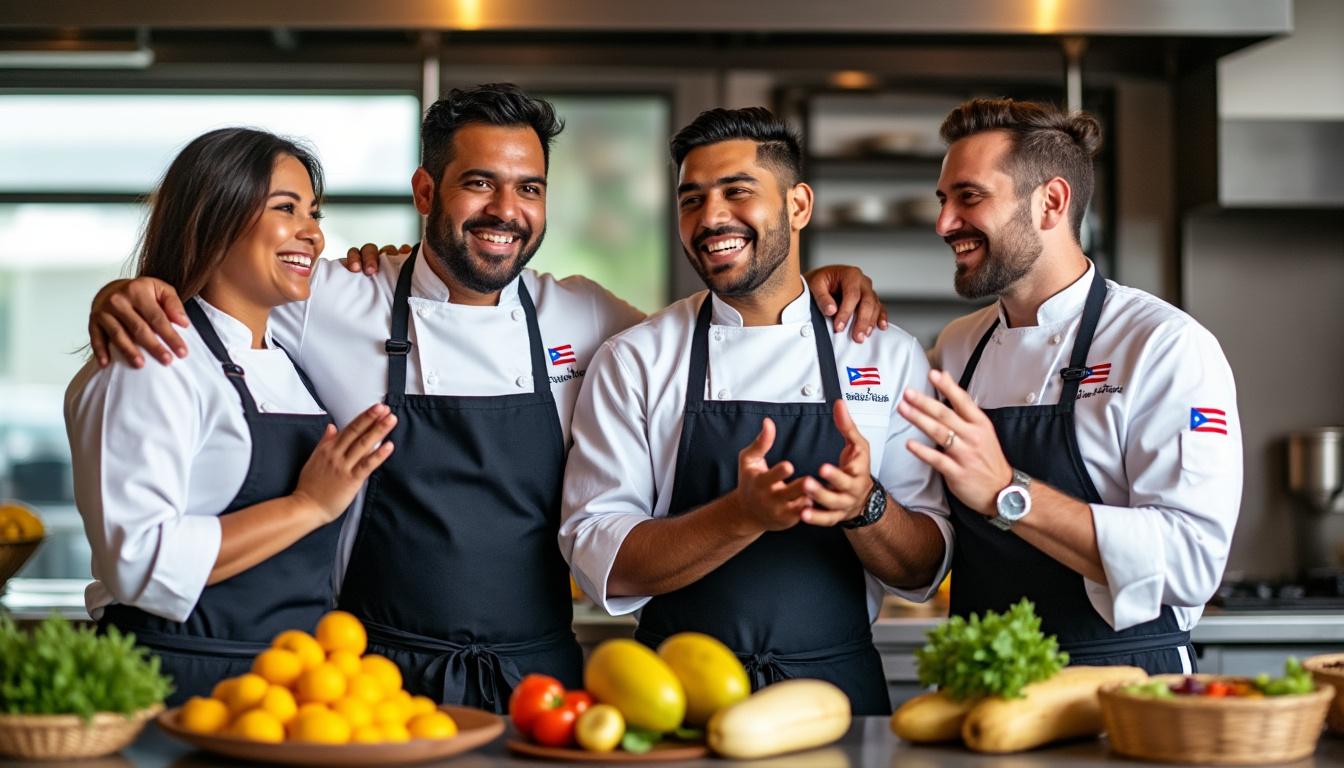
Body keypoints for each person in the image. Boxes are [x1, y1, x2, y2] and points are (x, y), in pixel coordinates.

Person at [82, 85, 887, 712]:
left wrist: (811, 286)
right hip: (366, 669)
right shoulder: (328, 297)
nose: (507, 210)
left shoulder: (585, 314)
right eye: (479, 184)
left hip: (540, 672)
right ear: (426, 192)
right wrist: (130, 291)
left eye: (529, 188)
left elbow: (723, 332)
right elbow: (224, 279)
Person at [560, 108, 951, 715]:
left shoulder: (885, 352)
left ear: (798, 206)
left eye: (737, 191)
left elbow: (923, 566)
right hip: (674, 695)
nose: (711, 218)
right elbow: (598, 557)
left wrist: (864, 506)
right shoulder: (636, 358)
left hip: (836, 696)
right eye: (692, 200)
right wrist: (740, 516)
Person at [898, 98, 1241, 674]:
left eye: (969, 197)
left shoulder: (1163, 346)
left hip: (1124, 685)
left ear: (1050, 202)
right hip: (985, 683)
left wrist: (1009, 491)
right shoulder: (956, 347)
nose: (944, 223)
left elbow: (1191, 562)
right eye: (943, 200)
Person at [64, 128, 396, 704]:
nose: (313, 233)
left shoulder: (290, 360)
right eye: (285, 208)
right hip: (177, 684)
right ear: (214, 216)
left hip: (297, 690)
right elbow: (138, 561)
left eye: (313, 212)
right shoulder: (151, 360)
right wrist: (308, 505)